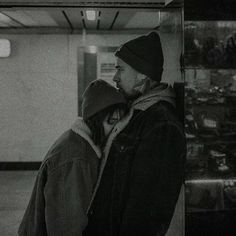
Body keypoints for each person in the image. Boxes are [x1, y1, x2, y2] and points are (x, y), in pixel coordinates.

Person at [83, 32, 186, 236]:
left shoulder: (161, 125)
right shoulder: (137, 112)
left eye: (120, 69)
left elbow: (147, 213)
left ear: (142, 74)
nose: (115, 77)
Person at [18, 79, 128, 236]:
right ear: (96, 119)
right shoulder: (76, 159)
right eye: (112, 121)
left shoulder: (79, 144)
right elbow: (66, 228)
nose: (115, 132)